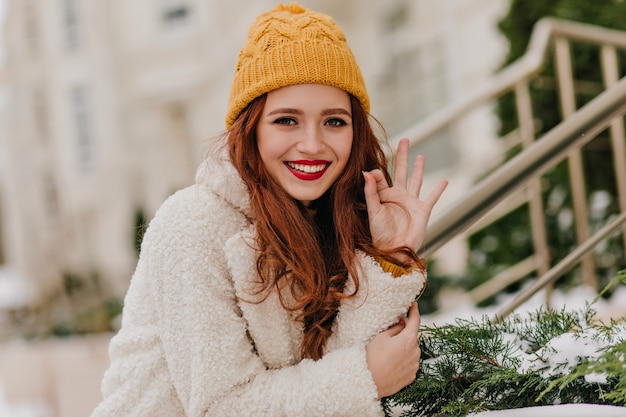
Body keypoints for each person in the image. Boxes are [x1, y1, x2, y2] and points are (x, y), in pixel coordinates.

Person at [91, 3, 447, 416]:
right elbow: (220, 407)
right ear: (252, 127)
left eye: (334, 121)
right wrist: (365, 376)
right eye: (286, 121)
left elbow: (332, 374)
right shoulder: (191, 224)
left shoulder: (326, 216)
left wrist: (388, 256)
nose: (313, 145)